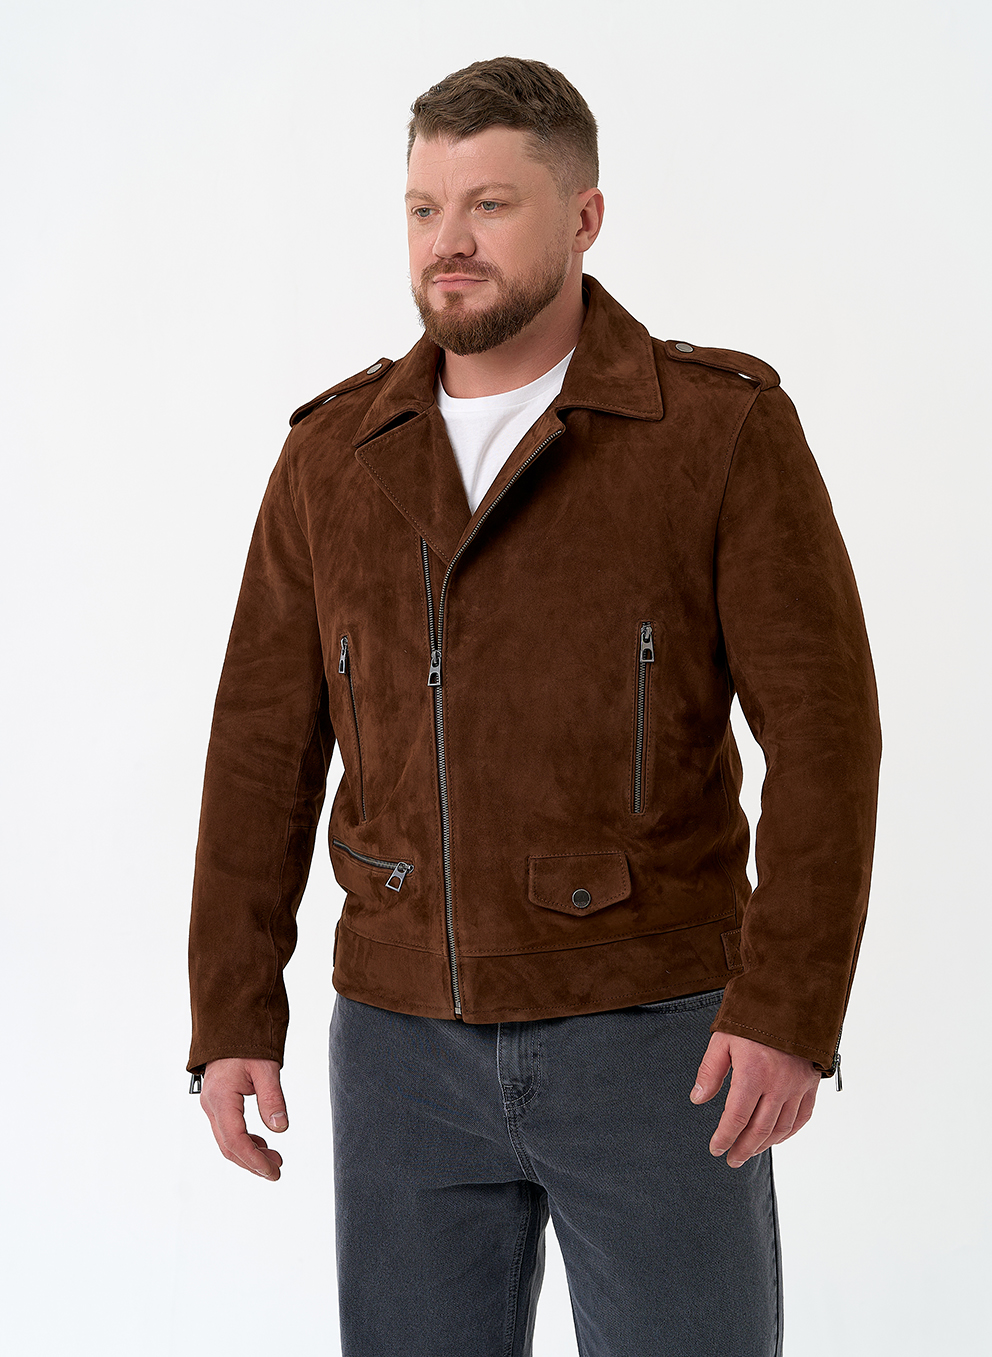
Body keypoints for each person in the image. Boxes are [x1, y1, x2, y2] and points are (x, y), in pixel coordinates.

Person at [188, 56, 881, 1357]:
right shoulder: (332, 457)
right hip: (399, 1050)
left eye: (490, 204)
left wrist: (791, 1008)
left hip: (657, 1037)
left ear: (584, 216)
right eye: (424, 208)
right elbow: (261, 750)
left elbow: (827, 737)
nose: (448, 241)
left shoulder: (713, 432)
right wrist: (232, 1011)